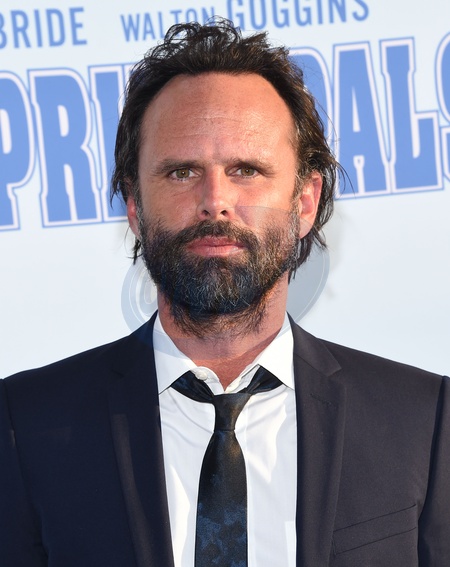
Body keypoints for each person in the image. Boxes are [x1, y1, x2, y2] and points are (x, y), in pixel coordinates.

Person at [0, 19, 448, 567]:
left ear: (305, 202)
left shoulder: (422, 422)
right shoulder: (25, 426)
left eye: (246, 169)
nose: (215, 200)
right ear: (135, 206)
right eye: (182, 172)